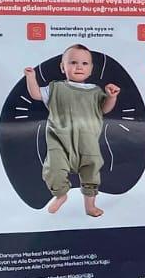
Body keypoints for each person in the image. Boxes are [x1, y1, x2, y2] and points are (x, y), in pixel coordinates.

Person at [24, 44, 119, 218]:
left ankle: (90, 205)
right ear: (63, 67)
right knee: (53, 169)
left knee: (91, 172)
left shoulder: (95, 91)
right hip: (59, 141)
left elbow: (104, 109)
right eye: (73, 62)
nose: (79, 67)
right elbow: (36, 94)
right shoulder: (56, 88)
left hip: (87, 143)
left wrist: (111, 97)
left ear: (91, 69)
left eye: (84, 63)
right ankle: (60, 195)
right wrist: (31, 77)